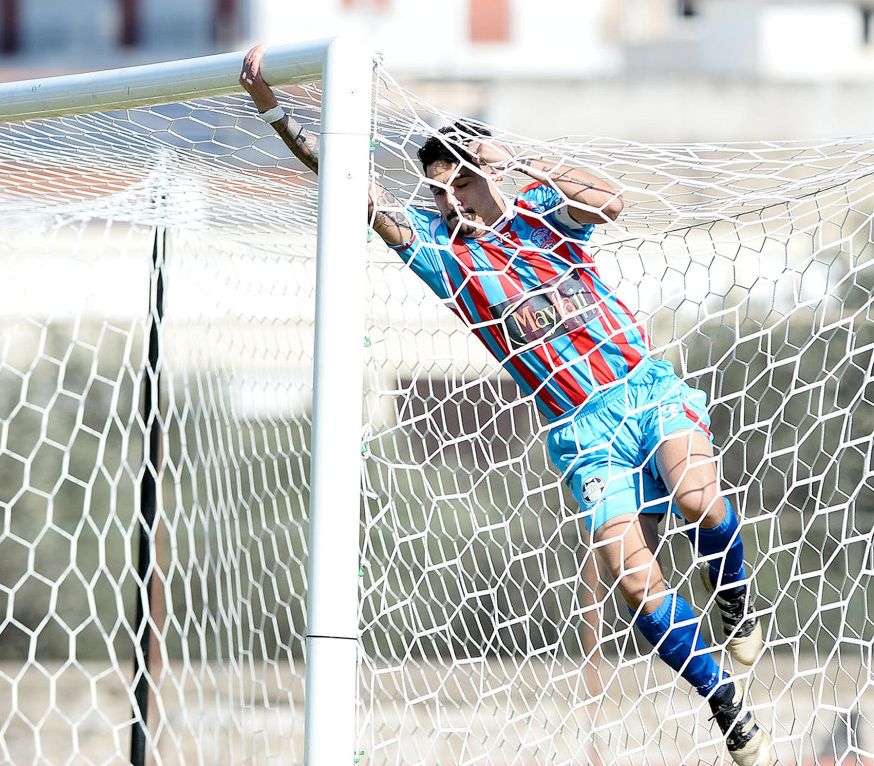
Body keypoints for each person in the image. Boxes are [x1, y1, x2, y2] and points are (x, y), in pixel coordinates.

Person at [241, 45, 771, 766]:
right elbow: (348, 186)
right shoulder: (442, 252)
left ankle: (733, 596)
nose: (450, 201)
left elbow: (611, 201)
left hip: (644, 388)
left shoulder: (543, 214)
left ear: (488, 174)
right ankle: (723, 698)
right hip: (582, 431)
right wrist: (275, 111)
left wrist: (517, 161)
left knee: (698, 500)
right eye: (439, 192)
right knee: (635, 583)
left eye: (460, 182)